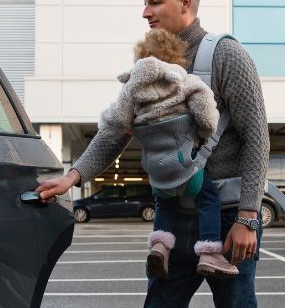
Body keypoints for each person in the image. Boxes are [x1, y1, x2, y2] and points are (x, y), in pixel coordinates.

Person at [35, 0, 270, 308]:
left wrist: (249, 217)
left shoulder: (225, 56)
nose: (145, 12)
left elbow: (257, 138)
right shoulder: (149, 61)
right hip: (173, 222)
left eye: (154, 2)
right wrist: (73, 176)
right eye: (145, 3)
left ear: (186, 2)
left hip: (228, 220)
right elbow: (112, 132)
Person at [101, 27, 238, 279]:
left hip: (156, 171)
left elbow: (114, 122)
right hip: (186, 166)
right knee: (208, 201)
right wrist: (203, 130)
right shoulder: (185, 83)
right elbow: (208, 119)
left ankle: (160, 247)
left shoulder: (131, 91)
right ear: (177, 58)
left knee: (164, 205)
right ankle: (209, 251)